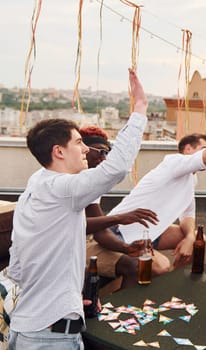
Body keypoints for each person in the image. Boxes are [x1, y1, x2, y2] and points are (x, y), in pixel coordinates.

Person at [7, 69, 148, 349]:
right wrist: (140, 109)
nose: (85, 150)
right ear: (59, 152)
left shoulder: (36, 186)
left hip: (29, 330)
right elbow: (115, 168)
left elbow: (17, 268)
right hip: (49, 339)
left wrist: (67, 298)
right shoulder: (61, 189)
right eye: (79, 143)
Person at [107, 89, 206, 270]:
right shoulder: (174, 162)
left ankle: (179, 287)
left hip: (150, 233)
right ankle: (162, 283)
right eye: (202, 148)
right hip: (119, 232)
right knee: (161, 266)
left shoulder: (190, 179)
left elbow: (187, 216)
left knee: (198, 240)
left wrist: (190, 238)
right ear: (187, 150)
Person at [80, 125, 168, 289]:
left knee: (140, 263)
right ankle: (121, 311)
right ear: (82, 149)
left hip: (80, 243)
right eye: (100, 151)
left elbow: (100, 232)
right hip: (63, 248)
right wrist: (120, 218)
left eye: (108, 153)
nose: (104, 158)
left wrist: (126, 248)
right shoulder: (66, 180)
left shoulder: (91, 182)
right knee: (134, 266)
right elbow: (71, 225)